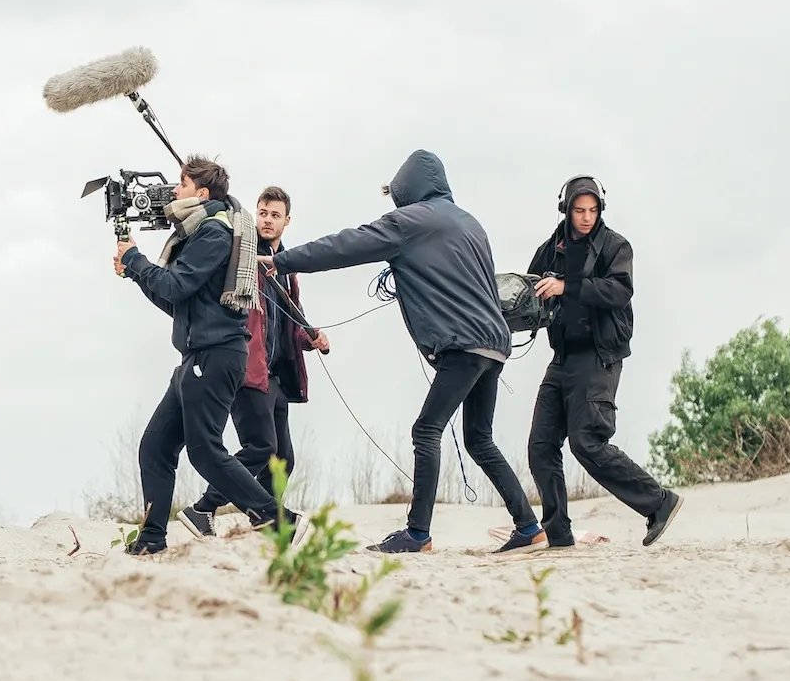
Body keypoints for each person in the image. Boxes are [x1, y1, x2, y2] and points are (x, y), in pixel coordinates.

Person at [268, 149, 540, 554]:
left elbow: (346, 245)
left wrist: (284, 261)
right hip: (496, 344)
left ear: (407, 189)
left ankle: (417, 533)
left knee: (425, 430)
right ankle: (528, 526)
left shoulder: (410, 221)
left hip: (464, 346)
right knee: (479, 438)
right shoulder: (471, 223)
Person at [116, 156, 286, 555]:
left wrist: (136, 260)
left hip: (216, 355)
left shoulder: (213, 232)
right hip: (194, 357)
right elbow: (176, 301)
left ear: (202, 193)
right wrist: (134, 271)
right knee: (155, 447)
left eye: (182, 184)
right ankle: (153, 538)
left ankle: (276, 519)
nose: (175, 191)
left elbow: (176, 285)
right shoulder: (199, 233)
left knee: (205, 451)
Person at [523, 176, 683, 549]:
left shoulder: (615, 246)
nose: (585, 217)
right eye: (579, 210)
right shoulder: (551, 250)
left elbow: (619, 290)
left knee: (587, 441)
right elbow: (530, 289)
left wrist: (567, 286)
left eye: (592, 211)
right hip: (561, 358)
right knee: (540, 446)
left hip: (599, 357)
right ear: (566, 209)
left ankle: (659, 503)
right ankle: (559, 535)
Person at [180, 186, 328, 537]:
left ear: (286, 221)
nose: (267, 220)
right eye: (262, 212)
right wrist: (261, 267)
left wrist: (311, 337)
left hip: (275, 373)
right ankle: (210, 510)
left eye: (275, 215)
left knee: (283, 460)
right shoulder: (244, 255)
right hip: (247, 366)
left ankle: (259, 518)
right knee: (261, 447)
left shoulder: (286, 265)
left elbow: (290, 319)